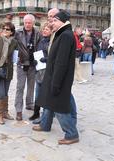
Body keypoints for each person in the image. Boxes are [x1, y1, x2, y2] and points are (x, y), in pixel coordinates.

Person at [33, 10, 79, 145]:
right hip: (52, 76)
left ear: (62, 22)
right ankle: (45, 125)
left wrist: (56, 83)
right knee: (48, 101)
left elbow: (61, 63)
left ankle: (72, 134)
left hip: (58, 78)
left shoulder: (65, 35)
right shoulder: (61, 34)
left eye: (54, 21)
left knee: (58, 107)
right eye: (50, 20)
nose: (51, 23)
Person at [14, 14, 42, 121]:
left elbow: (40, 46)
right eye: (25, 22)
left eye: (29, 22)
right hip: (21, 64)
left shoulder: (38, 33)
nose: (27, 24)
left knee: (31, 86)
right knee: (20, 87)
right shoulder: (18, 32)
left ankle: (29, 103)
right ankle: (18, 110)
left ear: (33, 23)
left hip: (32, 64)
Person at [29, 23, 51, 123]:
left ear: (51, 31)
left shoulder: (52, 41)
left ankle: (46, 115)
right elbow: (37, 53)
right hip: (39, 70)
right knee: (37, 93)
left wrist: (46, 59)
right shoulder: (40, 41)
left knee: (46, 94)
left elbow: (54, 56)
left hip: (48, 71)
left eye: (47, 29)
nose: (44, 31)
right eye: (43, 29)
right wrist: (35, 61)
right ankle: (36, 113)